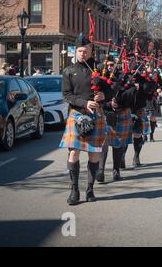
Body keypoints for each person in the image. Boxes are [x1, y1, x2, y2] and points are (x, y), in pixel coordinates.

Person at [59, 34, 112, 205]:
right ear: (76, 51)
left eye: (85, 51)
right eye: (80, 51)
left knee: (94, 154)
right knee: (74, 152)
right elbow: (67, 95)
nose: (82, 54)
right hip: (77, 114)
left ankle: (90, 189)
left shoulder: (100, 70)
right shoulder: (69, 71)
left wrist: (105, 95)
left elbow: (112, 90)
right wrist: (84, 102)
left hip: (96, 115)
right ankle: (74, 190)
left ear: (91, 51)